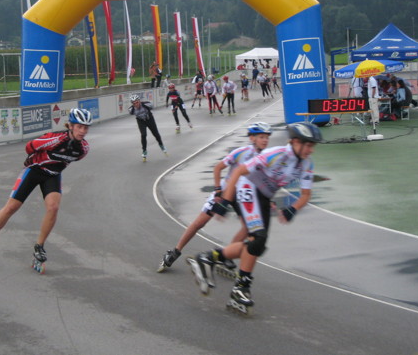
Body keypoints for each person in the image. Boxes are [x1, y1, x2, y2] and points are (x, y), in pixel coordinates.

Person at [189, 122, 322, 313]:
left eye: (313, 146)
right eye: (308, 145)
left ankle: (212, 261)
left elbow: (305, 195)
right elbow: (238, 171)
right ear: (295, 142)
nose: (311, 150)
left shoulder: (307, 164)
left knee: (257, 245)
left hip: (265, 197)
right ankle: (239, 285)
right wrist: (225, 201)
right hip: (247, 188)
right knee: (257, 238)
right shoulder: (275, 154)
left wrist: (292, 209)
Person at [0, 108, 92, 270]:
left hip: (52, 175)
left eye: (86, 127)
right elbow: (29, 147)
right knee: (11, 207)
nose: (83, 131)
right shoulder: (53, 139)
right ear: (70, 125)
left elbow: (74, 158)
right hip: (34, 171)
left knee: (53, 207)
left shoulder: (83, 149)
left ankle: (39, 246)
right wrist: (38, 160)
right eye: (79, 127)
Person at [157, 122, 272, 273]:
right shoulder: (241, 152)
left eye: (267, 137)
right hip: (225, 191)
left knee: (248, 227)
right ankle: (175, 251)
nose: (265, 140)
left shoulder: (267, 157)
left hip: (243, 196)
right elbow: (218, 168)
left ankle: (226, 257)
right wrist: (218, 190)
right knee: (200, 223)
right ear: (252, 138)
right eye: (261, 137)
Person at [128, 94, 167, 161]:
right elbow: (132, 114)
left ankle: (161, 145)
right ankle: (144, 150)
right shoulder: (131, 110)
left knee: (156, 134)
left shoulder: (146, 104)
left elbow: (152, 106)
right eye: (134, 103)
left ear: (139, 101)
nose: (136, 104)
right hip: (141, 121)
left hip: (149, 119)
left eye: (137, 102)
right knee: (143, 135)